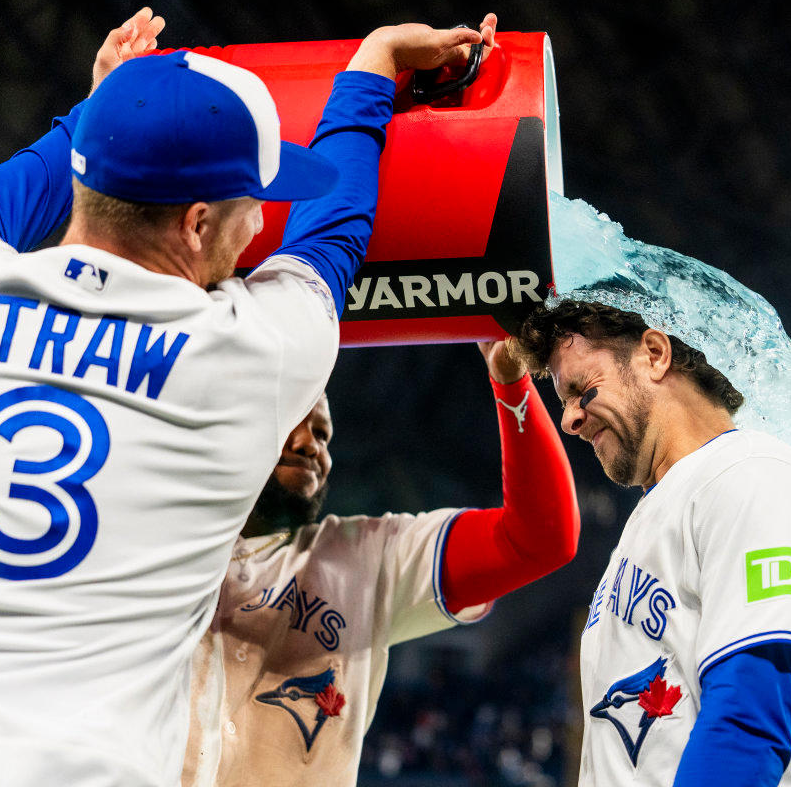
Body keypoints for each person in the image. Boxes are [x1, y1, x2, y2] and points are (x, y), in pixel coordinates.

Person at [0, 8, 490, 787]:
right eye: (255, 205)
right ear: (199, 223)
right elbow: (333, 227)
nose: (260, 228)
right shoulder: (244, 356)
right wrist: (375, 63)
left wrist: (98, 112)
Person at [179, 337, 579, 787]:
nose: (311, 445)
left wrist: (511, 382)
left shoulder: (363, 555)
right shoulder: (150, 543)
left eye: (324, 435)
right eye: (292, 418)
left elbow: (538, 539)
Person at [511, 300, 791, 787]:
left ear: (654, 353)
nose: (570, 419)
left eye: (582, 390)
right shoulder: (666, 504)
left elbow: (747, 723)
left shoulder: (753, 476)